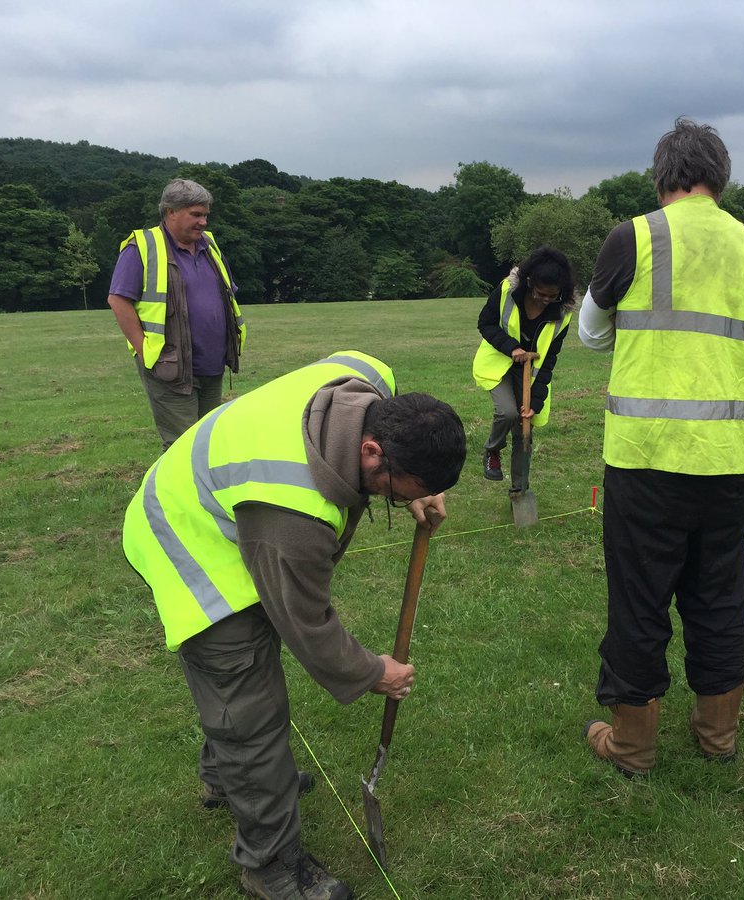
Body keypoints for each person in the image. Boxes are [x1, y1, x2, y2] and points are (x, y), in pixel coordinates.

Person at [122, 350, 466, 900]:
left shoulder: (367, 378)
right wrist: (373, 671)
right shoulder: (294, 514)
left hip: (223, 499)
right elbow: (307, 622)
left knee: (245, 700)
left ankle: (225, 779)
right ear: (372, 450)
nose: (397, 500)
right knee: (248, 704)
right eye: (396, 490)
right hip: (184, 539)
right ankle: (271, 867)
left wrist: (418, 487)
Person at [577, 118, 744, 776]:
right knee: (719, 594)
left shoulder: (632, 237)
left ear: (662, 176)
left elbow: (590, 334)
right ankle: (717, 734)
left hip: (646, 458)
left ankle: (633, 745)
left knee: (639, 599)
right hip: (730, 461)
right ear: (718, 177)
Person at [107, 178, 246, 450]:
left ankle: (206, 492)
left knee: (208, 442)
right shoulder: (142, 247)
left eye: (205, 215)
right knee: (184, 447)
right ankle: (175, 493)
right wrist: (146, 351)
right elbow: (118, 300)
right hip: (170, 366)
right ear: (171, 211)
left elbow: (227, 293)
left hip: (212, 364)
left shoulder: (209, 245)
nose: (203, 222)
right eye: (196, 214)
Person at [472, 246, 575, 491]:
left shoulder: (563, 313)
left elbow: (549, 360)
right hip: (498, 362)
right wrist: (511, 348)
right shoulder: (507, 291)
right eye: (541, 294)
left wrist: (535, 402)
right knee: (507, 412)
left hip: (531, 373)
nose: (546, 300)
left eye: (553, 296)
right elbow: (485, 323)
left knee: (524, 427)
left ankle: (520, 490)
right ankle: (492, 450)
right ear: (529, 282)